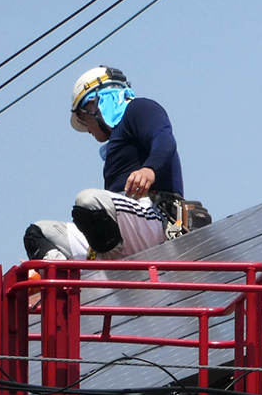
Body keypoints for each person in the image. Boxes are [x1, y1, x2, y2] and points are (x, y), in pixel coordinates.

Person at [23, 66, 188, 261]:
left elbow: (164, 139)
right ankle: (70, 279)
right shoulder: (117, 141)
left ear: (93, 104)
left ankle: (108, 266)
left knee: (88, 202)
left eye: (83, 120)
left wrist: (149, 169)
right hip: (122, 227)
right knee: (38, 233)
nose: (88, 130)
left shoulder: (140, 108)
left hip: (153, 216)